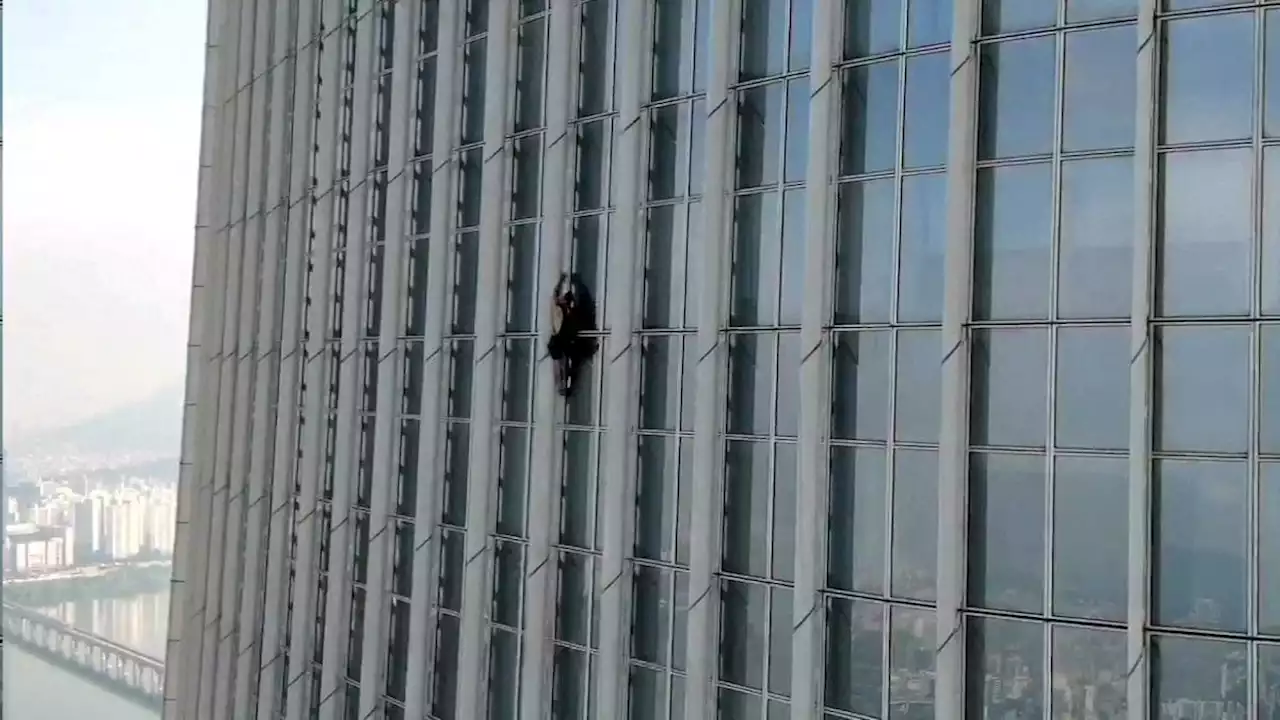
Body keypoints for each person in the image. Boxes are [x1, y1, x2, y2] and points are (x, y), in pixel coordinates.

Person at [548, 273, 598, 397]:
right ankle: (561, 385)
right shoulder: (558, 308)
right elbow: (555, 294)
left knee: (567, 363)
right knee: (560, 364)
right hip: (558, 339)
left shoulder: (570, 311)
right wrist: (561, 281)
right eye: (566, 300)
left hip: (564, 340)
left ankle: (566, 384)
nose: (567, 302)